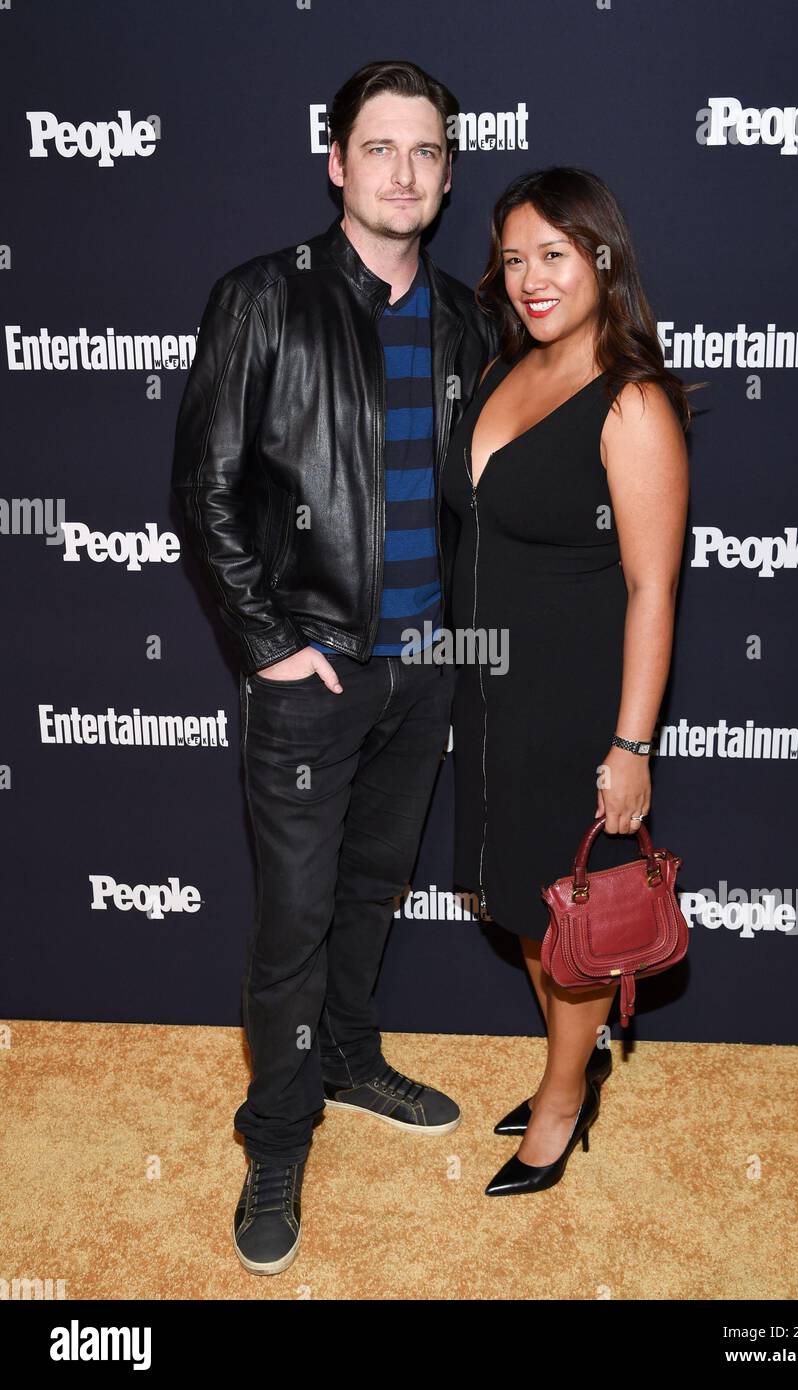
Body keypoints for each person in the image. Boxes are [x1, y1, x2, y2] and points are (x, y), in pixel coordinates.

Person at [171, 60, 497, 1273]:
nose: (403, 173)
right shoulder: (265, 297)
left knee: (369, 892)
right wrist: (271, 645)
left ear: (447, 174)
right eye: (379, 148)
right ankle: (275, 1132)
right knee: (295, 920)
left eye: (425, 152)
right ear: (335, 162)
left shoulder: (466, 318)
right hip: (312, 679)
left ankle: (350, 1058)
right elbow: (203, 489)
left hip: (422, 674)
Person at [439, 166, 692, 1196]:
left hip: (575, 706)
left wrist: (629, 745)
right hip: (490, 696)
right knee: (517, 902)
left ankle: (559, 1102)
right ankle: (574, 1064)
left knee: (566, 918)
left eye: (554, 254)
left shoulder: (631, 401)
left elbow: (652, 587)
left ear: (602, 258)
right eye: (513, 259)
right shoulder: (506, 368)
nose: (531, 278)